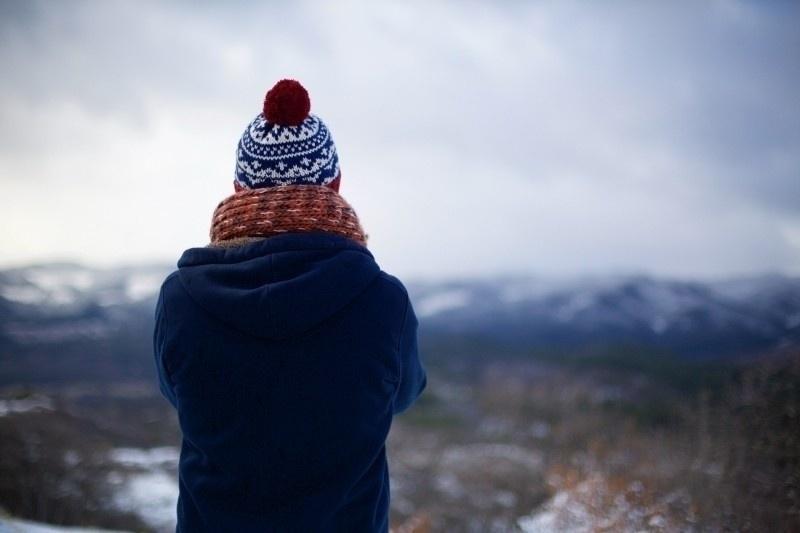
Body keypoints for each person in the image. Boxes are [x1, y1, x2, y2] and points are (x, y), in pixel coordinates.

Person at [152, 79, 427, 532]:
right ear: (335, 184)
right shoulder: (384, 301)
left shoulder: (180, 299)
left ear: (239, 188)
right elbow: (402, 394)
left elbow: (175, 391)